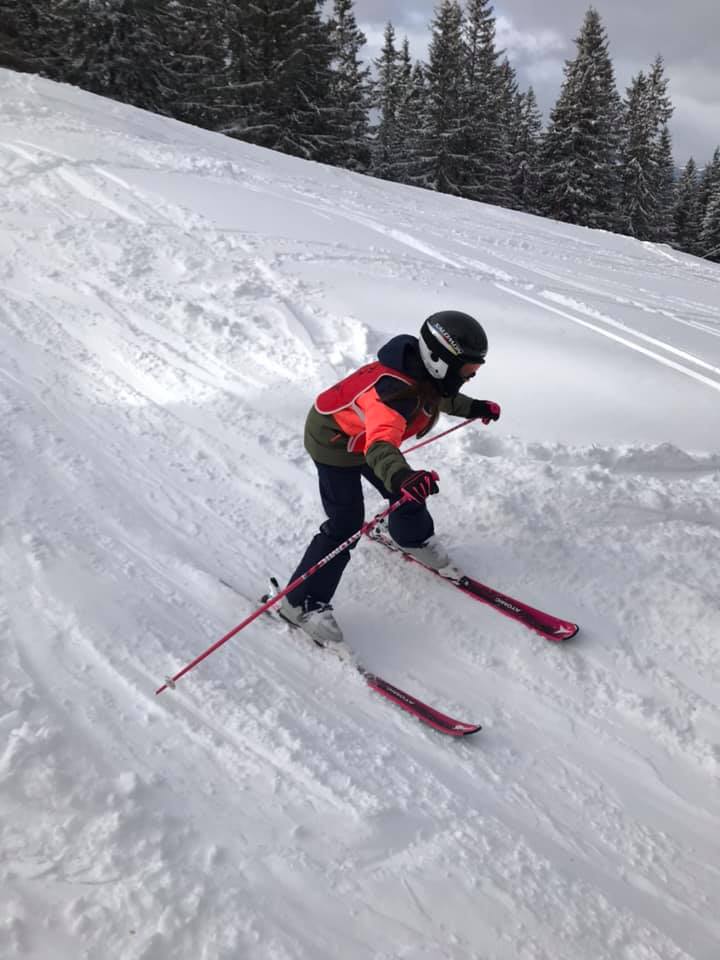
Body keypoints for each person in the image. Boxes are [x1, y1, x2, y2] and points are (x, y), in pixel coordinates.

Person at [278, 310, 501, 647]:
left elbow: (442, 395)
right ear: (440, 361)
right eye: (469, 369)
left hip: (365, 439)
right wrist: (401, 476)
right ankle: (300, 603)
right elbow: (380, 445)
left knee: (409, 493)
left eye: (475, 369)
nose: (472, 376)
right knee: (345, 524)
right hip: (335, 443)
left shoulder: (423, 373)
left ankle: (410, 538)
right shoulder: (391, 395)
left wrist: (475, 408)